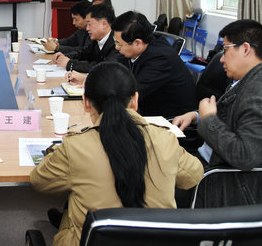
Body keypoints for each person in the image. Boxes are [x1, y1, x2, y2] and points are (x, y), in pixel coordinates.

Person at [30, 62, 203, 246]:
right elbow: (194, 175)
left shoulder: (76, 146)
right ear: (135, 100)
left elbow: (39, 181)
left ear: (86, 102)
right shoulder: (164, 139)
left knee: (74, 200)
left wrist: (57, 151)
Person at [173, 19, 262, 206]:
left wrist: (208, 120)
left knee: (150, 185)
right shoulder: (250, 79)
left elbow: (245, 155)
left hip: (221, 180)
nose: (221, 58)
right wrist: (196, 116)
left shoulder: (261, 93)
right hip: (209, 162)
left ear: (245, 49)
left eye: (225, 50)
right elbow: (232, 115)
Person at [111, 11, 197, 118]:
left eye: (119, 43)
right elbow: (115, 69)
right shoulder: (141, 48)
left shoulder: (160, 59)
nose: (116, 47)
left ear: (137, 43)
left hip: (173, 119)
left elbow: (131, 92)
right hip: (150, 107)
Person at [53, 3, 122, 74]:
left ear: (104, 24)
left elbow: (104, 67)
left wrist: (70, 64)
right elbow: (83, 53)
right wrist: (64, 57)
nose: (87, 28)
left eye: (89, 24)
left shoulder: (118, 42)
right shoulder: (97, 40)